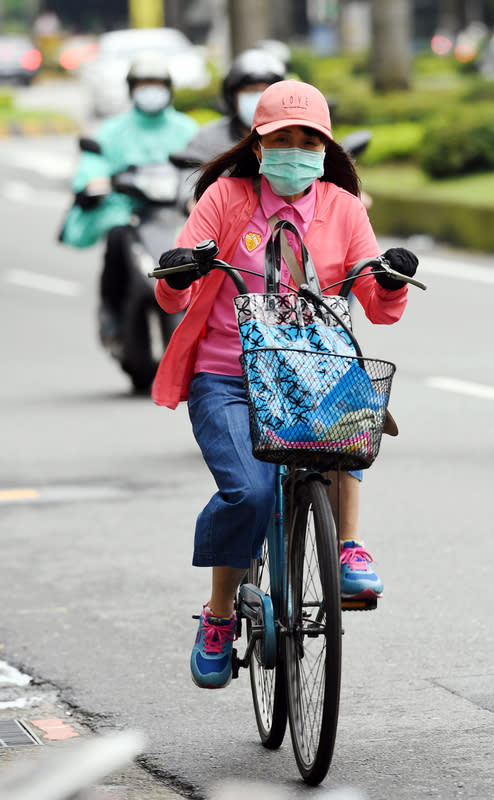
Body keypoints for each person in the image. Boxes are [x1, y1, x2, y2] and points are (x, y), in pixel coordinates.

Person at [152, 80, 419, 689]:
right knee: (249, 494)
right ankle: (219, 614)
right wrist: (177, 272)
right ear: (258, 144)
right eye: (281, 140)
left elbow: (378, 305)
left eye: (308, 141)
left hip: (311, 369)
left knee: (353, 425)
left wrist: (394, 277)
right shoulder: (225, 198)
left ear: (324, 149)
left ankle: (348, 546)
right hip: (227, 375)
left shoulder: (344, 208)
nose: (294, 151)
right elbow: (176, 289)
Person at [59, 52, 199, 347]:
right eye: (144, 84)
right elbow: (93, 162)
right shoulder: (113, 130)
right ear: (132, 88)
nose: (151, 90)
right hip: (127, 211)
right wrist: (91, 182)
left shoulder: (186, 128)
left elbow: (202, 165)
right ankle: (111, 308)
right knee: (116, 238)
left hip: (174, 212)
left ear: (169, 88)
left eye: (157, 84)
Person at [175, 48, 286, 214]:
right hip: (226, 226)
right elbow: (190, 179)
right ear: (232, 97)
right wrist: (196, 204)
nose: (258, 98)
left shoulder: (292, 136)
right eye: (250, 91)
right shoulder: (209, 138)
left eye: (265, 91)